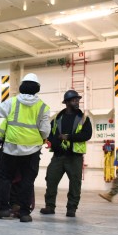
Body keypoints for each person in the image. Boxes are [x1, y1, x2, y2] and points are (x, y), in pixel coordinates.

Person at [0, 73, 50, 222]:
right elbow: (45, 130)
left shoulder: (13, 102)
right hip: (32, 150)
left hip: (11, 149)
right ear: (37, 88)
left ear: (22, 87)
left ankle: (3, 209)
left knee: (5, 179)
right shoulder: (43, 107)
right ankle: (24, 213)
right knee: (27, 181)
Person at [40, 90, 92, 218]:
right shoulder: (57, 118)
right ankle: (50, 206)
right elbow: (50, 135)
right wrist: (54, 143)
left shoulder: (84, 118)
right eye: (74, 100)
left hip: (74, 157)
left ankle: (71, 209)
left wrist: (68, 137)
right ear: (67, 102)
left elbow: (87, 135)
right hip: (58, 156)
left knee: (75, 183)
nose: (77, 102)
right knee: (51, 180)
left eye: (77, 100)